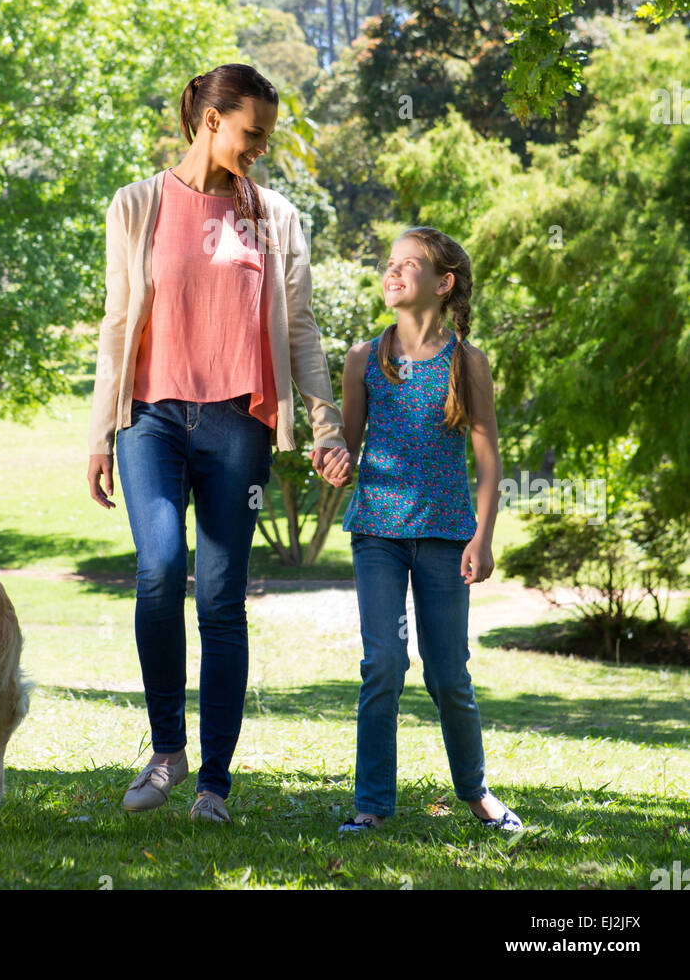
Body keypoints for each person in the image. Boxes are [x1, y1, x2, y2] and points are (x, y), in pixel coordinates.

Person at [86, 63, 351, 824]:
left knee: (223, 600)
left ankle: (215, 784)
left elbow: (299, 331)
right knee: (161, 567)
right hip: (152, 417)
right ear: (210, 121)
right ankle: (167, 749)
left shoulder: (277, 220)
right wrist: (101, 431)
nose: (261, 147)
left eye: (265, 135)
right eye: (252, 133)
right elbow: (115, 328)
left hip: (240, 424)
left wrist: (325, 426)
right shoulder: (136, 206)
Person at [336, 227, 523, 834]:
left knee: (448, 673)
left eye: (407, 265)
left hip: (447, 538)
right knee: (384, 663)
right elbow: (349, 449)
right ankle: (371, 806)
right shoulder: (364, 359)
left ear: (442, 284)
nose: (391, 273)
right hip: (379, 535)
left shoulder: (467, 362)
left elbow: (490, 458)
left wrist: (484, 536)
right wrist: (334, 456)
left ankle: (476, 793)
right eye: (388, 264)